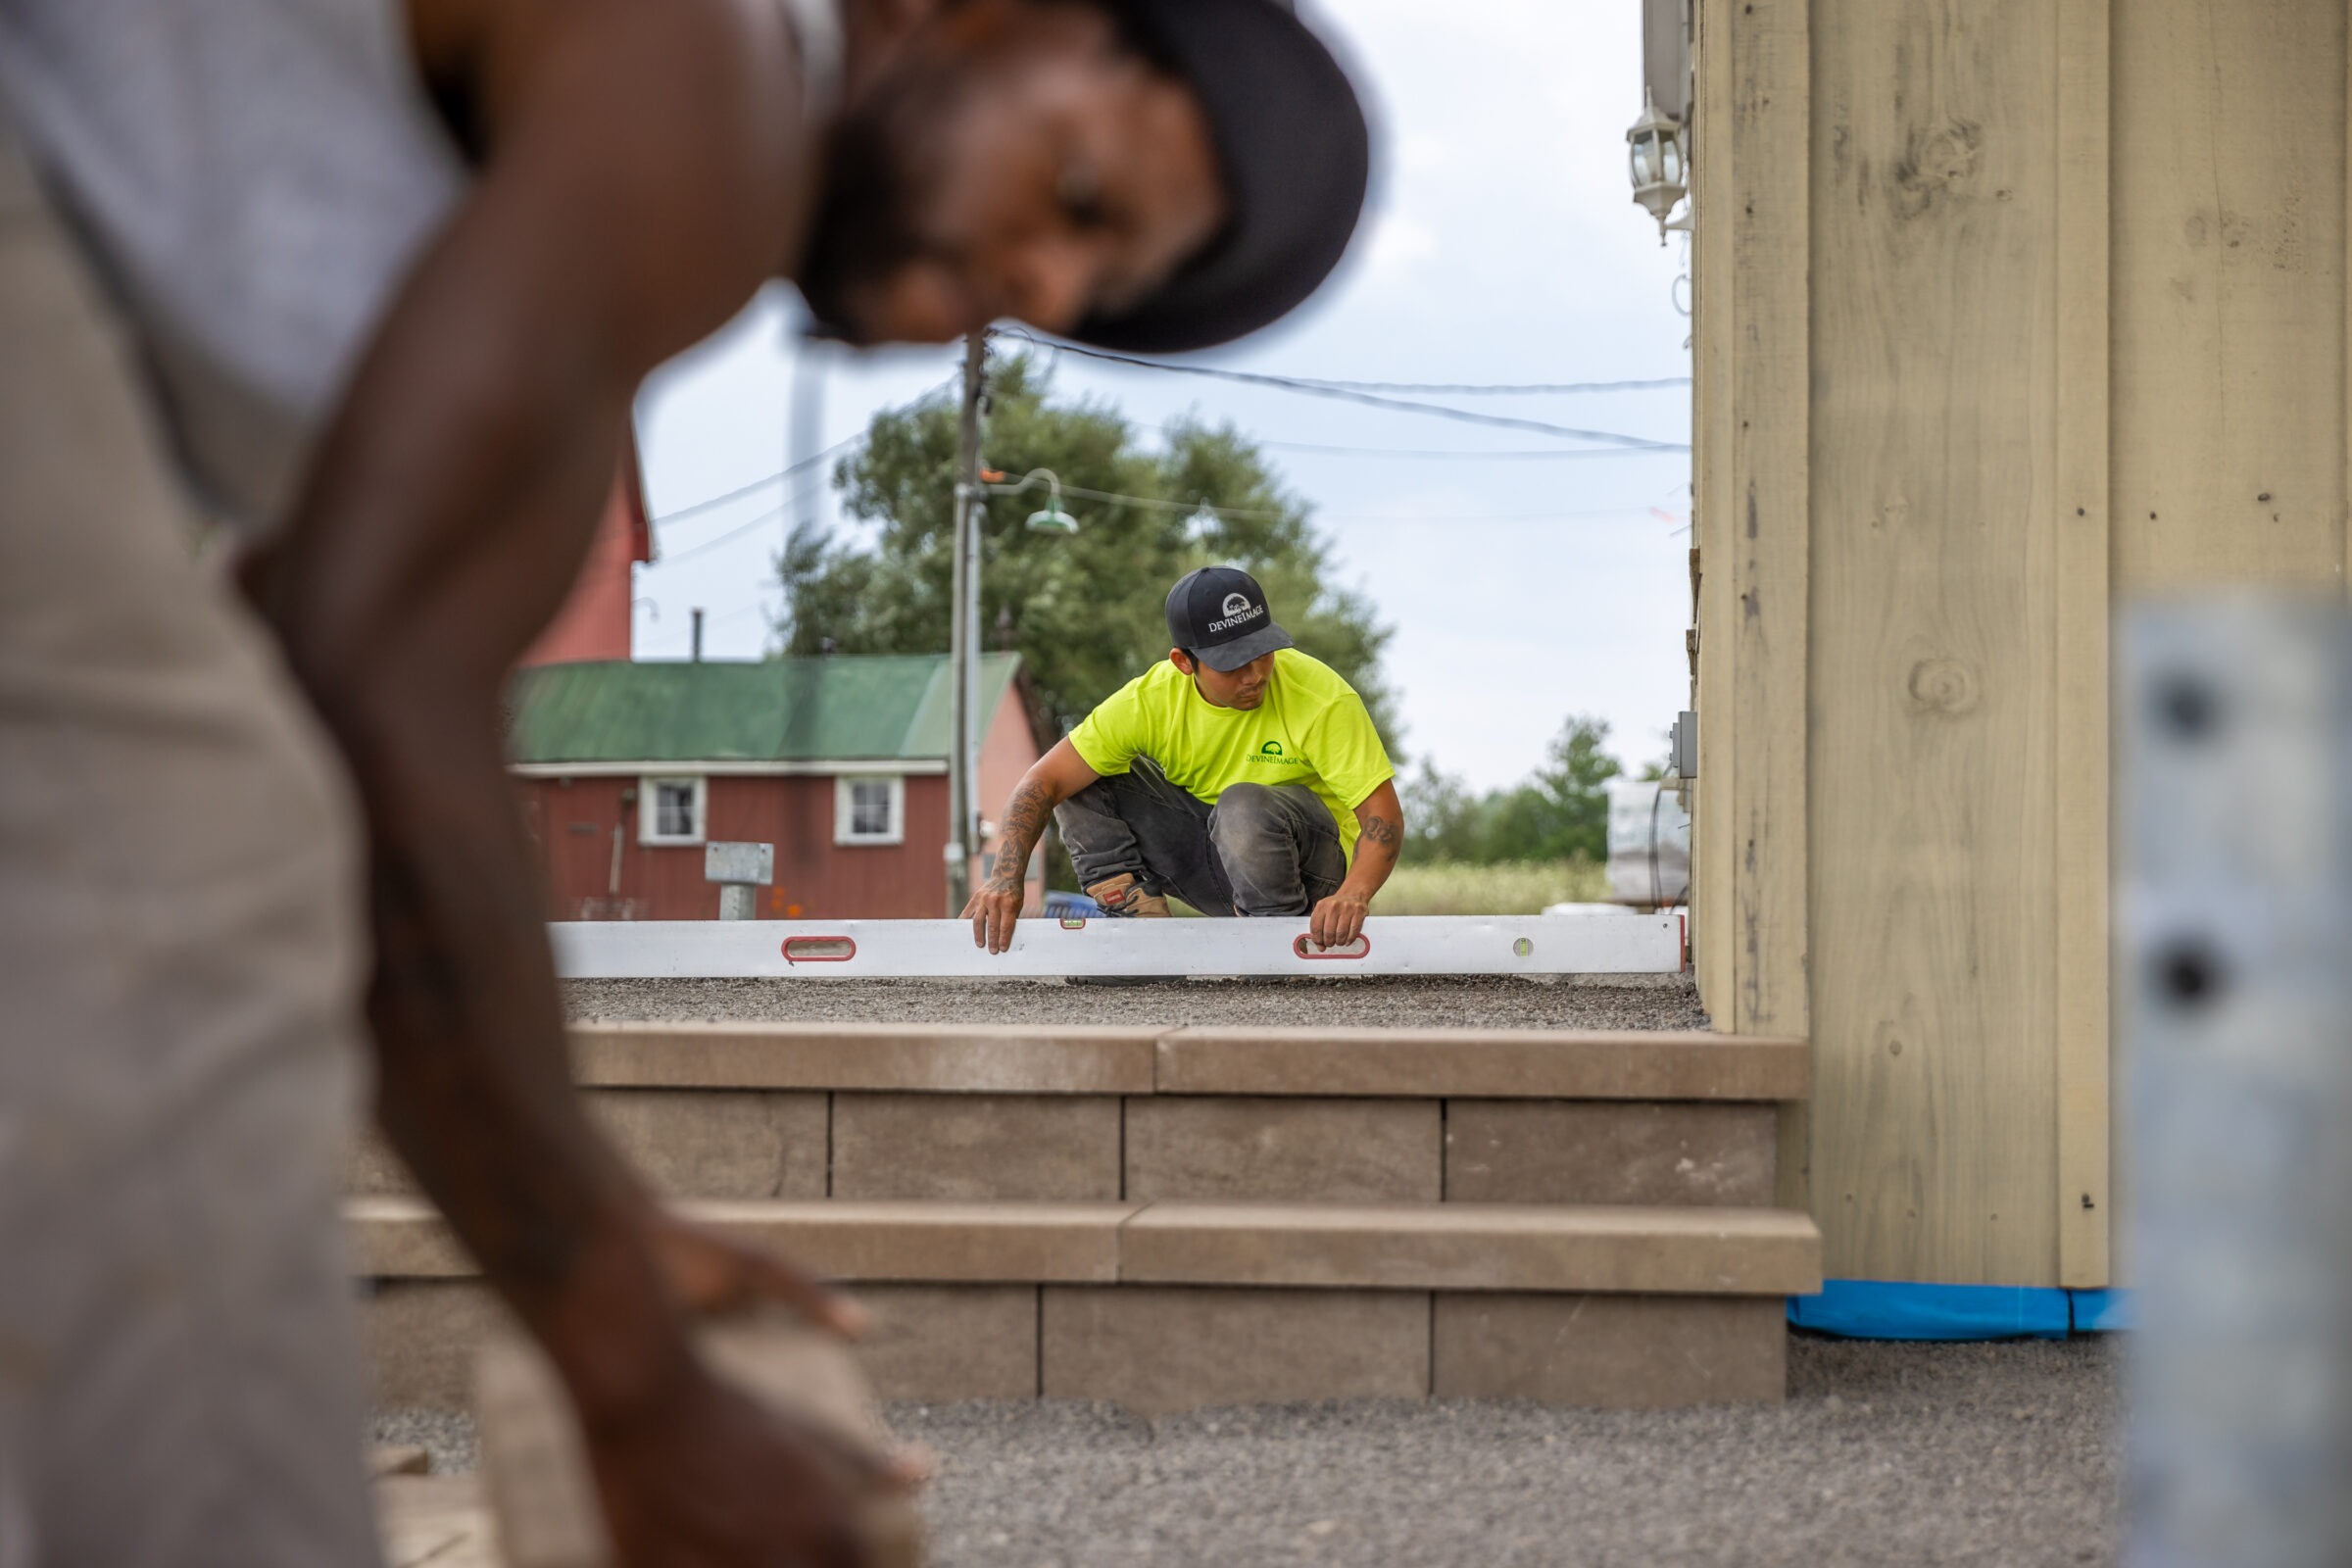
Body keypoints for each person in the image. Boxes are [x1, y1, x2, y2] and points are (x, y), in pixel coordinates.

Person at [0, 0, 1369, 1563]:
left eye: (1096, 289)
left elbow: (345, 675)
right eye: (1077, 197)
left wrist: (596, 1226)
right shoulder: (712, 71)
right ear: (984, 21)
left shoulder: (585, 267)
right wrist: (631, 1377)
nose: (1047, 286)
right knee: (197, 849)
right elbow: (369, 705)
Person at [963, 565, 1403, 955]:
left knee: (1242, 805)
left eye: (1263, 653)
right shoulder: (1151, 701)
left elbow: (1383, 816)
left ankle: (1272, 944)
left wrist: (1354, 893)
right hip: (1218, 865)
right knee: (1081, 779)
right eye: (1232, 664)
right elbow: (1041, 782)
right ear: (1183, 662)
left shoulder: (1321, 696)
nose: (1256, 676)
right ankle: (1140, 939)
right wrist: (1005, 877)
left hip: (1312, 875)